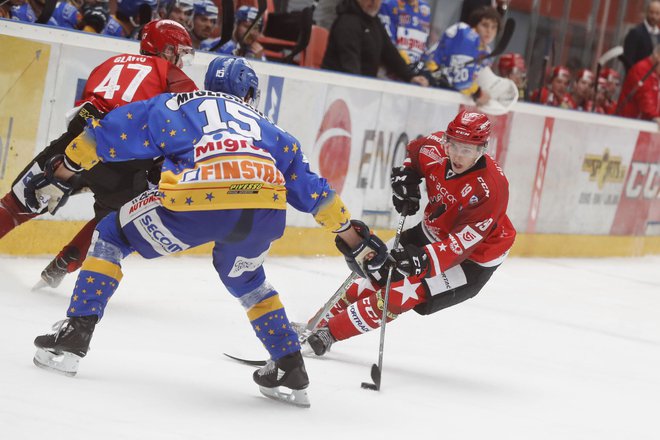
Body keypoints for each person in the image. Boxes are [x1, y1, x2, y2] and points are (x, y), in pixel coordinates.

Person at [31, 56, 388, 408]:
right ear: (249, 93)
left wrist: (68, 165)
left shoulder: (178, 104)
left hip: (198, 198)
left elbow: (116, 131)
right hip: (265, 208)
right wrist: (353, 238)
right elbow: (313, 191)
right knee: (247, 278)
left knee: (112, 233)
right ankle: (289, 365)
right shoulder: (272, 130)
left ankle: (75, 332)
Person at [0, 19, 197, 288]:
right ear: (166, 49)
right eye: (179, 52)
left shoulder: (110, 63)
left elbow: (82, 113)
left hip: (76, 142)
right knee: (112, 223)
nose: (181, 60)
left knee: (17, 204)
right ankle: (59, 268)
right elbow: (191, 116)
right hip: (124, 162)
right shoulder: (169, 72)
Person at [305, 110, 516, 356]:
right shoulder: (435, 147)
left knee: (402, 291)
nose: (457, 155)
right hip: (434, 230)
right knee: (376, 270)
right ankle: (316, 323)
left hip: (474, 258)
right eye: (454, 145)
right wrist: (408, 177)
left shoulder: (491, 190)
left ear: (482, 150)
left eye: (467, 150)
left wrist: (420, 261)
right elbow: (414, 154)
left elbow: (458, 247)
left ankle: (329, 334)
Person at [321, 0, 428, 86]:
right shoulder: (348, 23)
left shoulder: (373, 21)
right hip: (339, 88)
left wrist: (410, 77)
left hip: (363, 88)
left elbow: (390, 52)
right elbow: (350, 66)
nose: (375, 2)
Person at [425, 6, 500, 106]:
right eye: (485, 25)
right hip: (429, 84)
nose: (489, 31)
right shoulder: (465, 34)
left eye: (494, 27)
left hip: (446, 93)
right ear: (475, 26)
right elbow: (460, 80)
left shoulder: (487, 52)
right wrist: (479, 93)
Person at [377, 0, 432, 67]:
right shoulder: (388, 4)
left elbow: (424, 41)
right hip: (391, 67)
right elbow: (387, 39)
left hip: (414, 67)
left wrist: (425, 62)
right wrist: (403, 60)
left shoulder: (425, 8)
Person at [617, 44, 660, 128]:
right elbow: (645, 98)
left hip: (645, 127)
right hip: (629, 126)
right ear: (657, 56)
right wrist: (655, 116)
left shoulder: (656, 73)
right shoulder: (641, 69)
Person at [621, 0, 660, 72]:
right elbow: (628, 59)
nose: (654, 16)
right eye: (651, 12)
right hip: (638, 78)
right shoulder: (636, 32)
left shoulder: (658, 35)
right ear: (646, 12)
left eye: (657, 13)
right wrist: (636, 75)